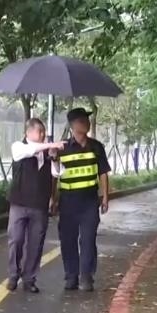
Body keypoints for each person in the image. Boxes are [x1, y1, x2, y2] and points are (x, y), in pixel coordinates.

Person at [50, 108, 111, 292]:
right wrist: (53, 199)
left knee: (88, 239)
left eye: (87, 120)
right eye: (82, 120)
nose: (86, 123)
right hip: (68, 201)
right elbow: (54, 176)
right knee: (68, 240)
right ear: (73, 125)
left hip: (89, 202)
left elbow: (103, 172)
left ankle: (86, 276)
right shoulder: (62, 149)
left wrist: (105, 196)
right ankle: (71, 276)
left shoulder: (96, 147)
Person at [6, 118, 66, 293]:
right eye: (39, 131)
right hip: (19, 203)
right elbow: (29, 151)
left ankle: (29, 278)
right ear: (28, 132)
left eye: (43, 132)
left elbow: (58, 172)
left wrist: (54, 157)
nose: (42, 135)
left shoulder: (47, 152)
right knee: (16, 239)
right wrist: (50, 145)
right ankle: (13, 275)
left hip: (39, 205)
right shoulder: (19, 147)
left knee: (36, 243)